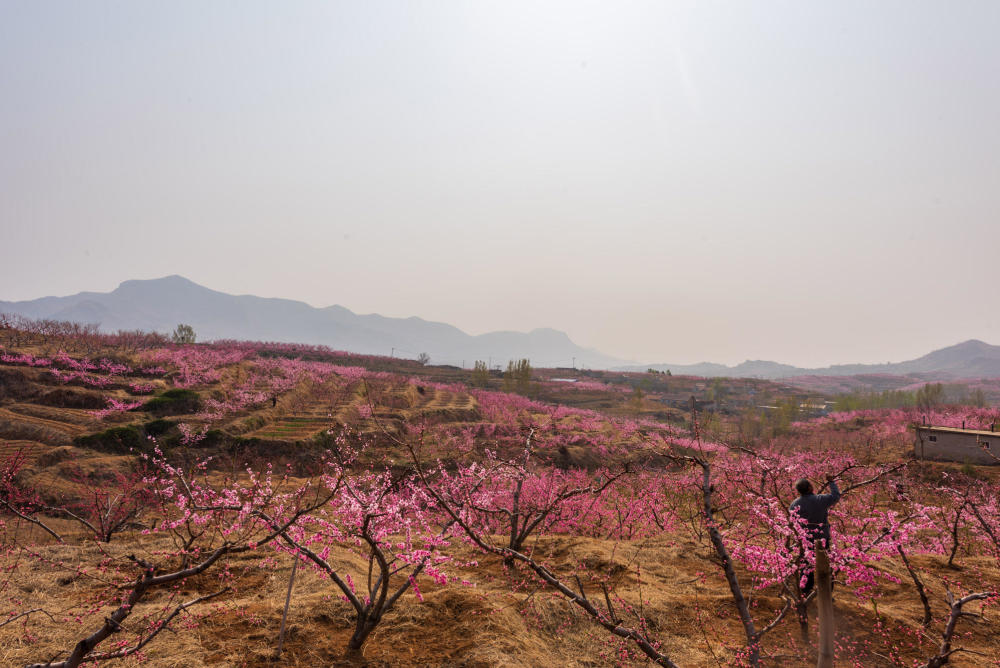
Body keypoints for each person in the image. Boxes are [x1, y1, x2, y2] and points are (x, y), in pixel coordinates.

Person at [789, 474, 840, 595]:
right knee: (826, 567)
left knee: (806, 568)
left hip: (806, 540)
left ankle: (805, 591)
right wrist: (831, 482)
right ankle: (826, 594)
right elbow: (835, 496)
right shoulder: (820, 500)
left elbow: (793, 523)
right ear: (809, 488)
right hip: (822, 539)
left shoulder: (794, 505)